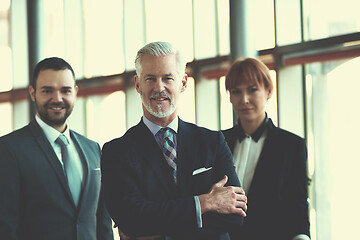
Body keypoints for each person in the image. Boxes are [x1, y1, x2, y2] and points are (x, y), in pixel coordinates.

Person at [101, 41, 247, 240]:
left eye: (168, 78)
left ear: (183, 83)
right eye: (150, 78)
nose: (159, 87)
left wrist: (155, 230)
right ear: (137, 84)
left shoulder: (213, 142)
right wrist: (204, 203)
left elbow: (234, 215)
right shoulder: (117, 152)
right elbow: (130, 219)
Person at [0, 57, 114, 240]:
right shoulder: (9, 149)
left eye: (65, 90)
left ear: (75, 92)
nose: (57, 98)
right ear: (32, 93)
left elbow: (103, 222)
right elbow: (5, 225)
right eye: (47, 91)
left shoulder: (93, 148)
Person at [222, 57, 310, 240]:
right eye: (236, 92)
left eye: (252, 90)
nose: (244, 99)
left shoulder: (291, 145)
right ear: (230, 97)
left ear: (268, 92)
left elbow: (298, 205)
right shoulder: (217, 141)